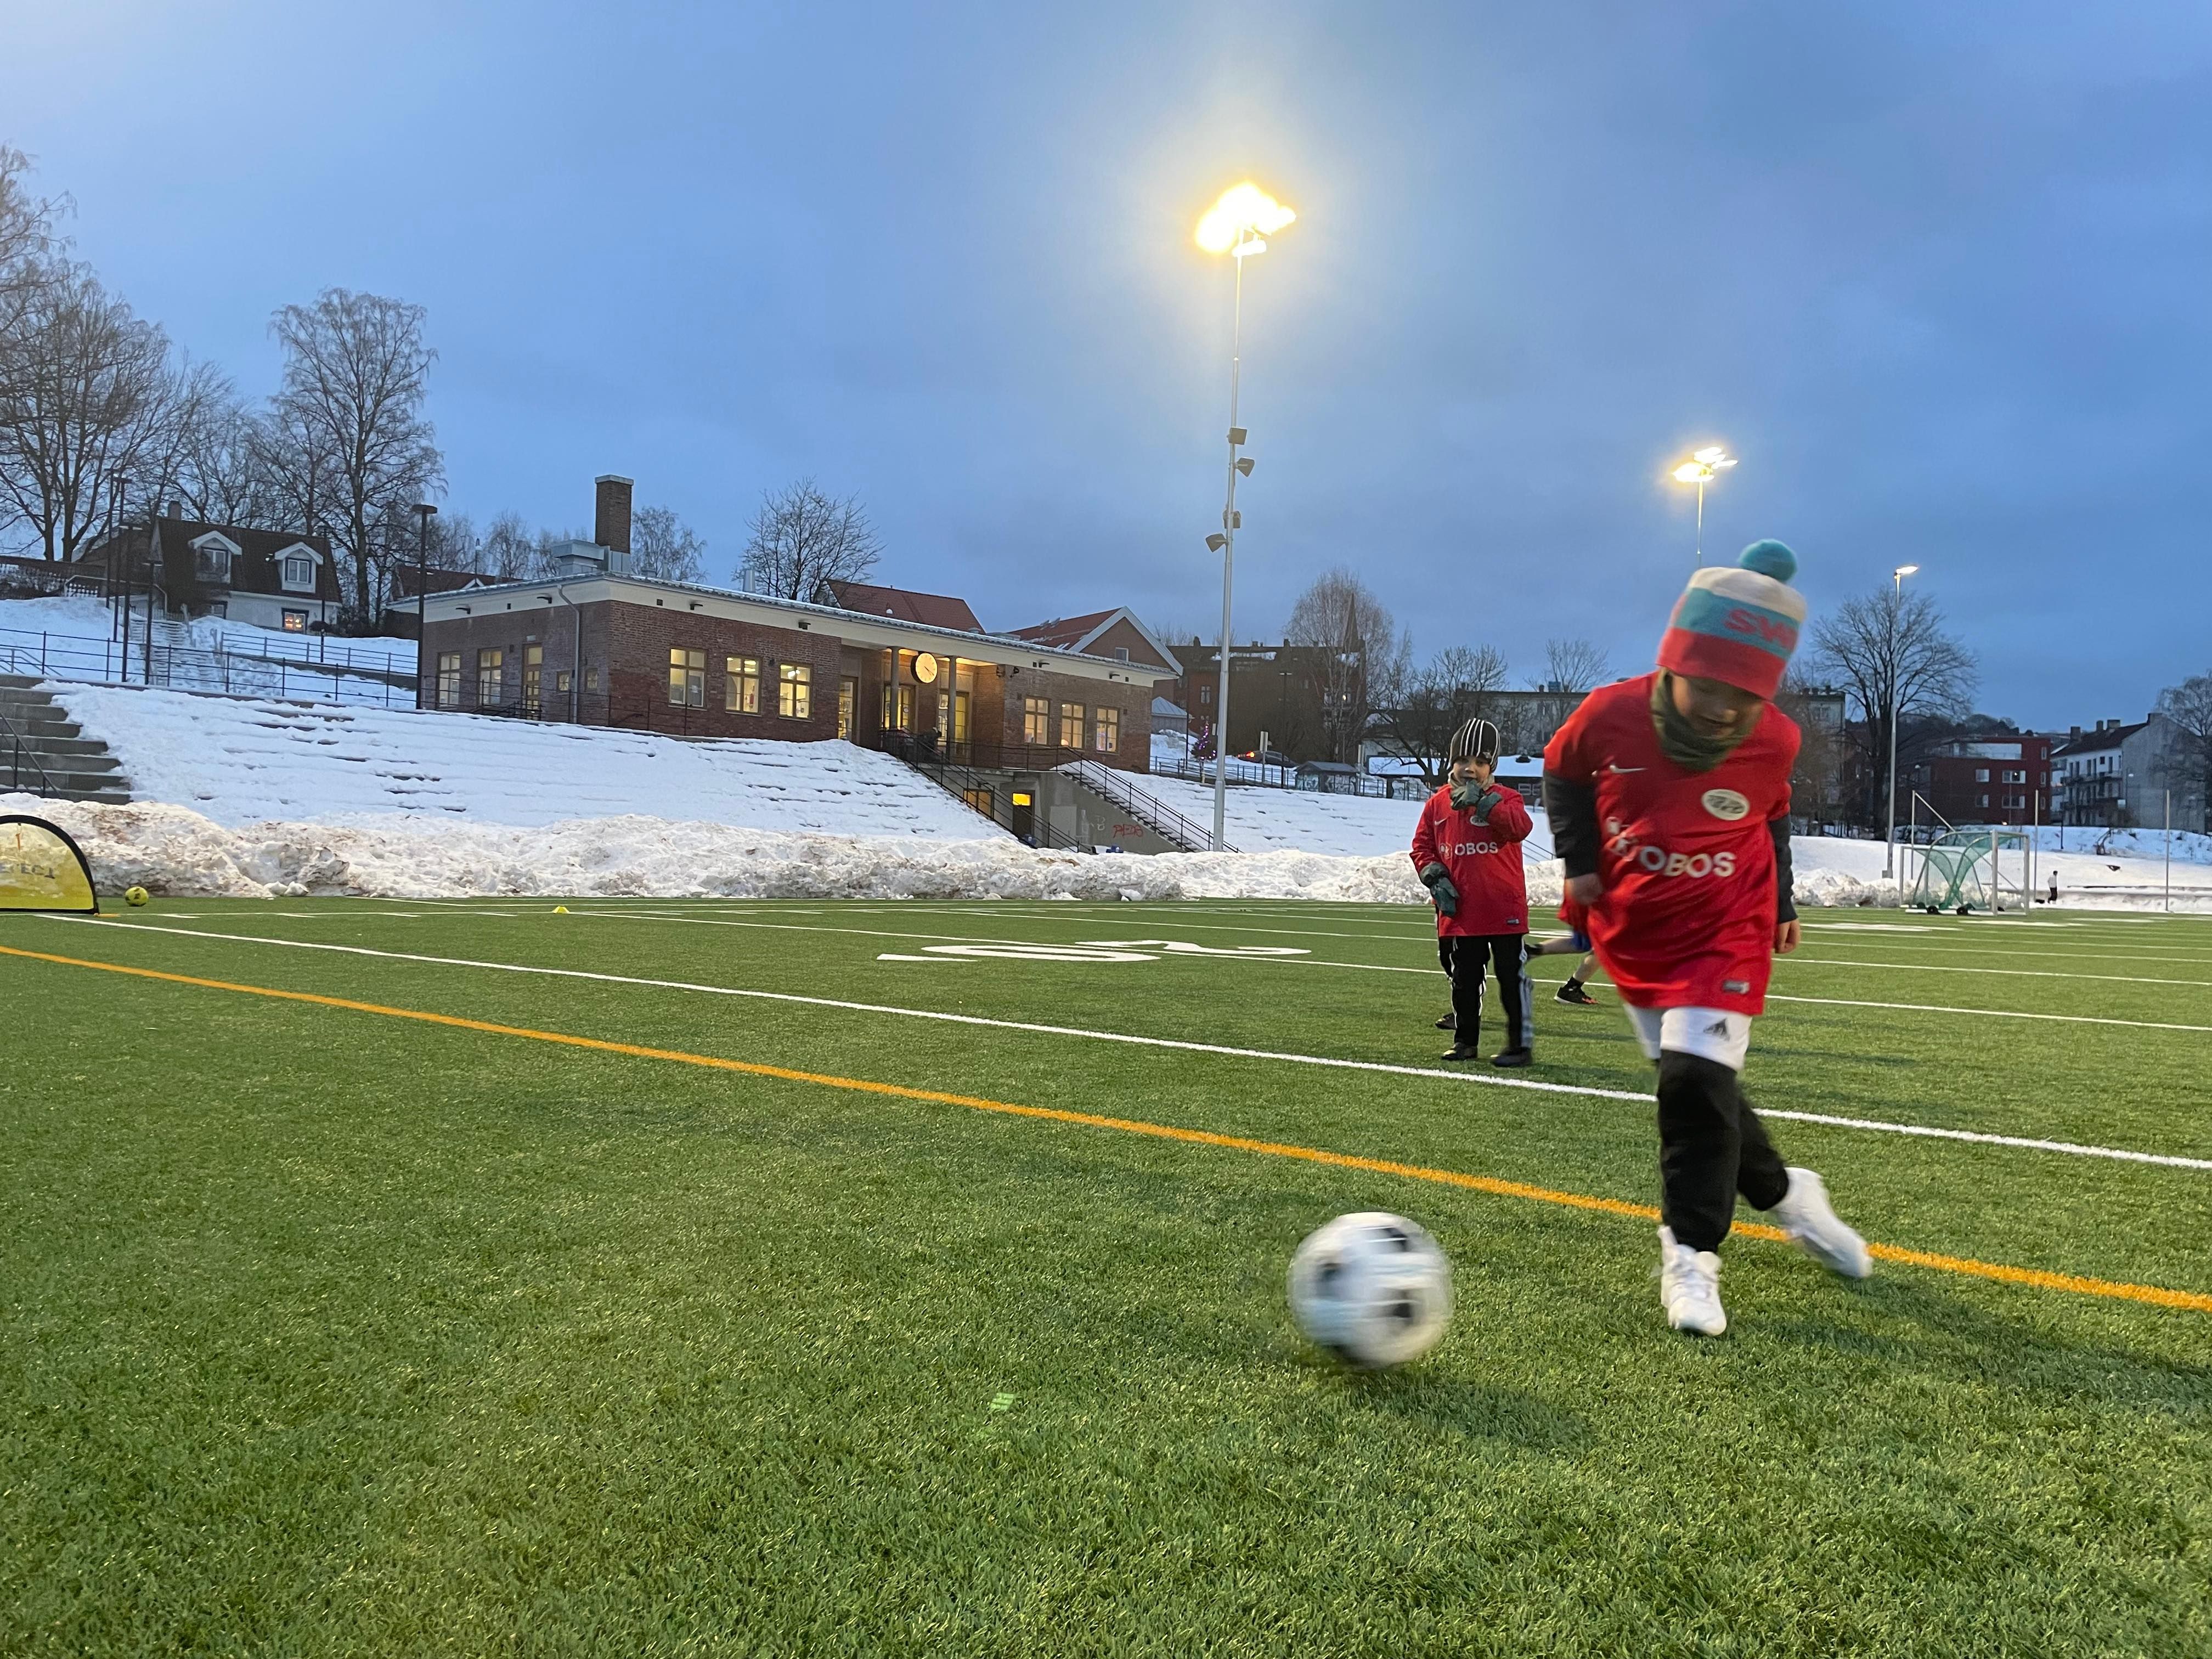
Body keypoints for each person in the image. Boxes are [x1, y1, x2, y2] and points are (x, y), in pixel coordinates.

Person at [1543, 540, 1870, 1336]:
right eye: (1709, 687)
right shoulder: (1608, 713)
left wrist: (1785, 899)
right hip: (1636, 923)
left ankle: (1691, 1256)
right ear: (1672, 662)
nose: (1726, 709)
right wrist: (1580, 863)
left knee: (1690, 1084)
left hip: (1728, 926)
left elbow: (1776, 813)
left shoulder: (1777, 740)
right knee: (1701, 1087)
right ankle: (1789, 1195)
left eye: (1745, 695)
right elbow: (1560, 771)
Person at [1412, 718, 1536, 1066]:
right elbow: (1422, 846)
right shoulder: (1436, 804)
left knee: (1512, 980)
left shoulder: (1507, 798)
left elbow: (1520, 827)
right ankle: (1465, 1041)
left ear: (1490, 767)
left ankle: (1518, 1047)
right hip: (1462, 911)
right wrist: (1434, 876)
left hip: (1503, 909)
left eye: (1481, 763)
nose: (1471, 769)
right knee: (1464, 981)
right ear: (1452, 763)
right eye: (1464, 761)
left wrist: (1483, 803)